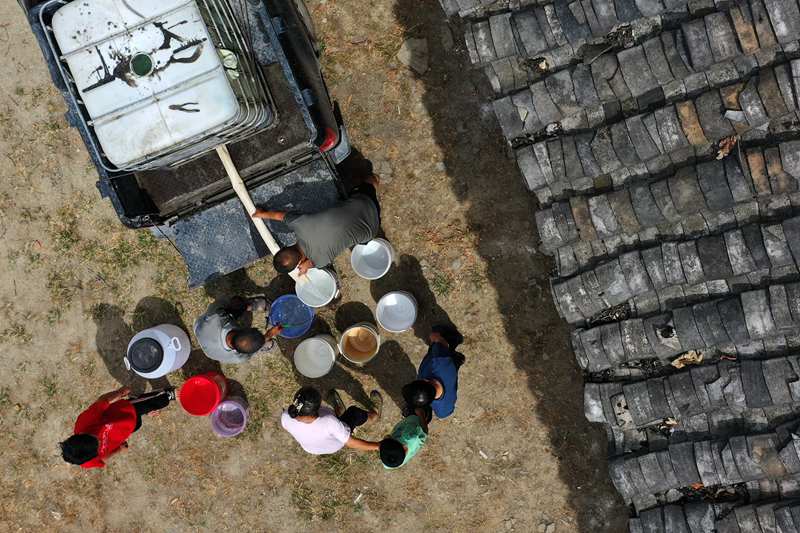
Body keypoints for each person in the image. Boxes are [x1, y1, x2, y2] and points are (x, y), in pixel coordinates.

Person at [252, 175, 381, 275]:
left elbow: (313, 263)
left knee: (358, 239)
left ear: (299, 263)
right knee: (369, 182)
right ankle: (375, 179)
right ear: (285, 246)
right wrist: (261, 214)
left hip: (371, 229)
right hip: (364, 202)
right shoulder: (300, 225)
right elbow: (280, 216)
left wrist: (308, 265)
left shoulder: (320, 261)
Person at [61, 386, 174, 469]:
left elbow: (103, 401)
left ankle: (168, 394)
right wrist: (118, 450)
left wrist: (119, 392)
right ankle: (145, 407)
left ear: (81, 434)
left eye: (95, 437)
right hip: (124, 431)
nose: (100, 440)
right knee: (138, 425)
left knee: (156, 401)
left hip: (124, 411)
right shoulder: (88, 462)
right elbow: (102, 458)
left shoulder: (85, 421)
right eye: (99, 446)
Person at [280, 387, 383, 454]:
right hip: (335, 443)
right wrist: (378, 446)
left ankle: (339, 410)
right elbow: (351, 443)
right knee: (354, 412)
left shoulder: (285, 417)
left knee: (334, 418)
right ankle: (374, 416)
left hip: (312, 448)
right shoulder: (329, 423)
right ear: (316, 410)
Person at [194, 296, 282, 364]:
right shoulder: (240, 358)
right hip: (210, 346)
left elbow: (221, 301)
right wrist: (268, 335)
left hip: (202, 331)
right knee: (254, 344)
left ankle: (249, 305)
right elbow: (248, 352)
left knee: (237, 304)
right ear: (242, 326)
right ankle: (262, 345)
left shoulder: (217, 315)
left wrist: (237, 306)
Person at [402, 324, 465, 419]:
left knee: (451, 363)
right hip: (445, 362)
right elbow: (442, 343)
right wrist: (435, 337)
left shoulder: (443, 410)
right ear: (426, 380)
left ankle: (456, 359)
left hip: (449, 372)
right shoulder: (439, 362)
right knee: (438, 335)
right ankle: (453, 340)